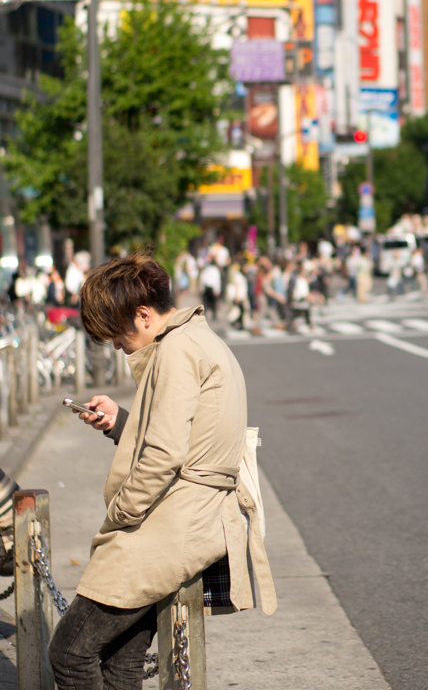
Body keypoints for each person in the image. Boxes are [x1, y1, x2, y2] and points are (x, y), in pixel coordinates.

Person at [48, 251, 275, 689]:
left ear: (144, 315)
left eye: (117, 336)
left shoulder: (176, 351)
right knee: (121, 662)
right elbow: (190, 443)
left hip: (167, 526)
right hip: (194, 518)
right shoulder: (201, 340)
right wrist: (119, 422)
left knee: (71, 652)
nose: (116, 346)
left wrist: (122, 514)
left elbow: (164, 455)